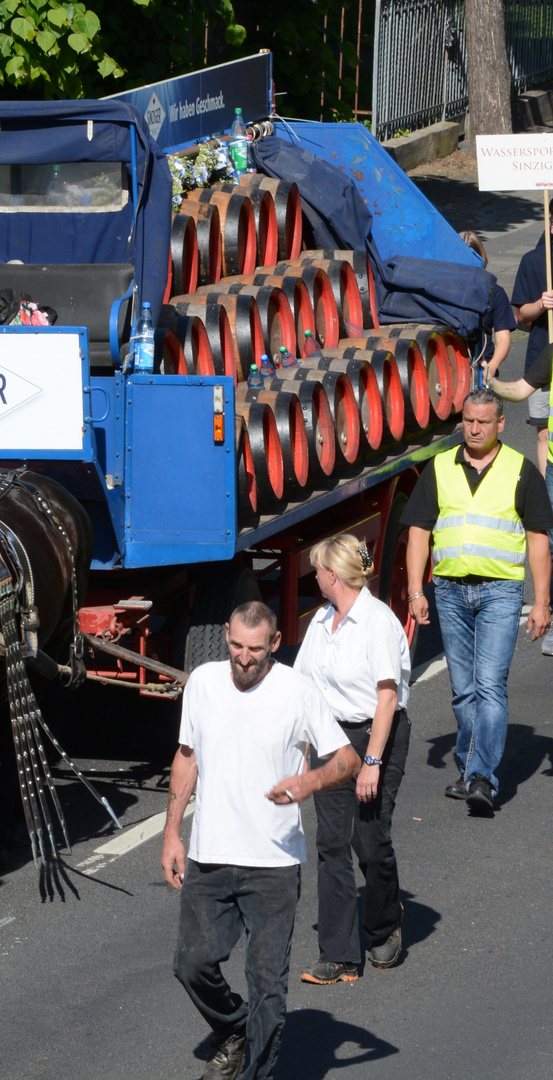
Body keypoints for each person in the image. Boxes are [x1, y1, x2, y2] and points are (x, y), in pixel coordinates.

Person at [162, 601, 360, 1080]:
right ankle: (235, 1028)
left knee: (267, 984)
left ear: (274, 644)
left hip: (272, 864)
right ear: (226, 634)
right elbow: (186, 757)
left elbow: (348, 759)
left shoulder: (297, 691)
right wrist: (172, 832)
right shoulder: (204, 683)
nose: (243, 658)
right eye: (235, 646)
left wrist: (310, 782)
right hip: (210, 856)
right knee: (191, 964)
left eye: (254, 649)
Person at [404, 387, 553, 811]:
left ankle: (482, 777)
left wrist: (542, 603)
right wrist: (417, 590)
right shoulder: (439, 468)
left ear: (500, 424)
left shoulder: (521, 470)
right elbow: (418, 531)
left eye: (483, 422)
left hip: (500, 592)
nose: (473, 428)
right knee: (463, 690)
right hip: (450, 591)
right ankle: (473, 769)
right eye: (468, 420)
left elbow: (539, 540)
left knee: (489, 685)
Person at [294, 535, 412, 986]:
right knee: (330, 844)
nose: (315, 576)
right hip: (333, 739)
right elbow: (302, 686)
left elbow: (386, 698)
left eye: (318, 569)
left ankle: (384, 923)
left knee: (369, 839)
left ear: (334, 575)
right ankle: (339, 954)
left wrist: (373, 761)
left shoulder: (377, 622)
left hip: (377, 734)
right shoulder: (322, 621)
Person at [508, 219, 553, 475]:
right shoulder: (533, 260)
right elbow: (523, 315)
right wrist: (541, 305)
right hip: (542, 357)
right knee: (544, 432)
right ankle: (550, 494)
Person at [458, 231, 516, 382]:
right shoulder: (443, 290)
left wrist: (493, 365)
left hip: (483, 368)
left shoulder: (495, 292)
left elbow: (503, 338)